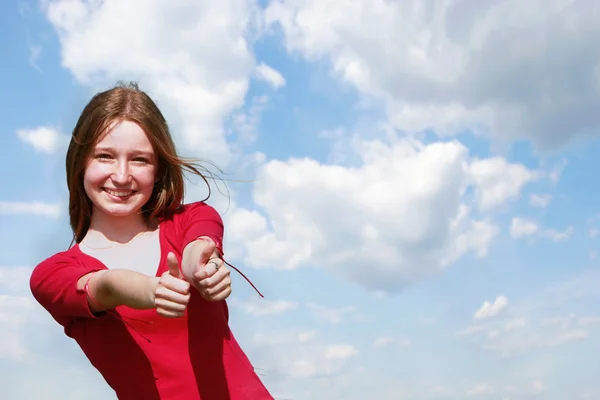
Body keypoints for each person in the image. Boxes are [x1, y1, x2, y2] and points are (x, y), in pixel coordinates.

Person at [29, 82, 273, 400]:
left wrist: (202, 266)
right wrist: (148, 290)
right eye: (105, 156)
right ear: (80, 162)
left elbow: (201, 245)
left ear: (158, 169)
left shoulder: (190, 219)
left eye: (139, 160)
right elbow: (104, 286)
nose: (121, 175)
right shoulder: (53, 274)